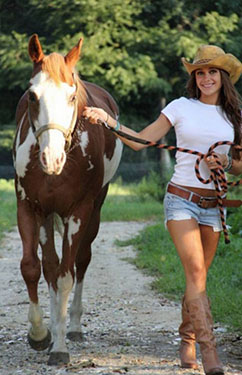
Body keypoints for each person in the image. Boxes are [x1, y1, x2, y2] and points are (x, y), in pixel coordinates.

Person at [83, 45, 242, 375]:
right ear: (193, 78)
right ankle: (210, 353)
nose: (206, 77)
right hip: (181, 199)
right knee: (196, 271)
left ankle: (187, 339)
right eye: (200, 72)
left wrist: (227, 162)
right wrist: (108, 120)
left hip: (214, 205)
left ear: (224, 77)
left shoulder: (233, 116)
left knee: (197, 278)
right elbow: (140, 141)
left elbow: (240, 164)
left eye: (212, 71)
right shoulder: (180, 107)